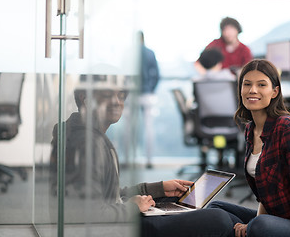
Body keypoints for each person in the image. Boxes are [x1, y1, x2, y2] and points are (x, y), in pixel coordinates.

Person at [50, 75, 232, 237]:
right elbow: (85, 212)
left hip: (117, 220)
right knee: (218, 218)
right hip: (115, 229)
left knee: (206, 206)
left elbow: (108, 196)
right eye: (107, 95)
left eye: (120, 95)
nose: (116, 102)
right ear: (85, 99)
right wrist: (132, 208)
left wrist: (158, 188)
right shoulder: (87, 144)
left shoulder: (88, 135)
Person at [207, 59, 290, 237]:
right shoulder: (251, 129)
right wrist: (253, 225)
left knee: (259, 226)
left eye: (261, 84)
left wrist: (254, 226)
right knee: (217, 209)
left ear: (274, 92)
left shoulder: (288, 128)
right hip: (279, 216)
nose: (252, 90)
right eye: (247, 84)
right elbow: (266, 193)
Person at [139, 31, 160, 168]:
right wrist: (151, 88)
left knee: (129, 129)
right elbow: (157, 74)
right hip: (147, 94)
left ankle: (128, 160)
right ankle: (149, 160)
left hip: (131, 95)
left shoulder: (129, 53)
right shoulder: (149, 53)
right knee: (148, 128)